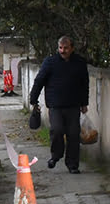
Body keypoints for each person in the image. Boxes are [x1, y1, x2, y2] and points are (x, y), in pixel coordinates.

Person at [29, 35, 90, 173]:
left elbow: (84, 84)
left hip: (73, 105)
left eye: (66, 48)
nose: (63, 51)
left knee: (73, 135)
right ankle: (55, 156)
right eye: (60, 48)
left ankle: (73, 165)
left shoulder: (79, 63)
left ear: (72, 48)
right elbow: (39, 81)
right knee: (57, 130)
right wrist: (33, 98)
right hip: (55, 105)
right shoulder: (50, 62)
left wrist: (84, 103)